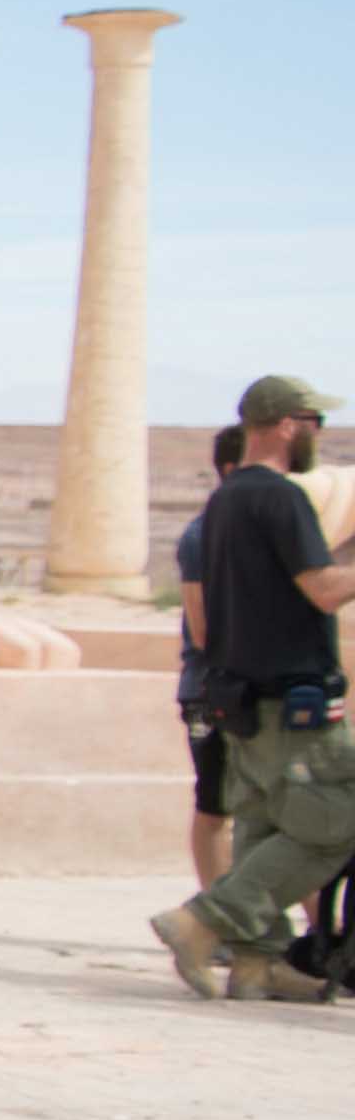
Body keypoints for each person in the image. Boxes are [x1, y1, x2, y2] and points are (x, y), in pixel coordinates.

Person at [150, 374, 352, 1004]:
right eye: (314, 423)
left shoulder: (228, 501)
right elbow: (323, 590)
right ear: (289, 425)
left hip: (245, 699)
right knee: (336, 820)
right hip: (293, 701)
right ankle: (204, 921)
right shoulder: (280, 497)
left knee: (262, 827)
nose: (319, 434)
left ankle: (257, 965)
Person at [179, 424, 244, 892]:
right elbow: (202, 630)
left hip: (250, 687)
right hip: (214, 690)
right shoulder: (204, 535)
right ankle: (220, 914)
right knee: (215, 807)